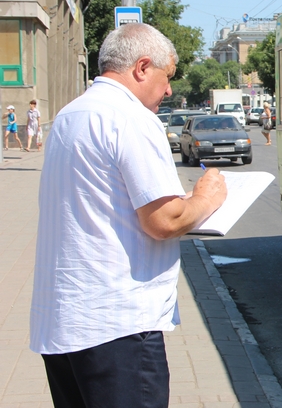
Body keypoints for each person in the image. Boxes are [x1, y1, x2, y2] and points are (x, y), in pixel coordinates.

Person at [30, 23, 227, 408]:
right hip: (118, 327)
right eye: (166, 76)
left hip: (65, 324)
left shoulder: (72, 115)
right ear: (141, 68)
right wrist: (205, 199)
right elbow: (164, 220)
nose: (168, 89)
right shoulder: (132, 118)